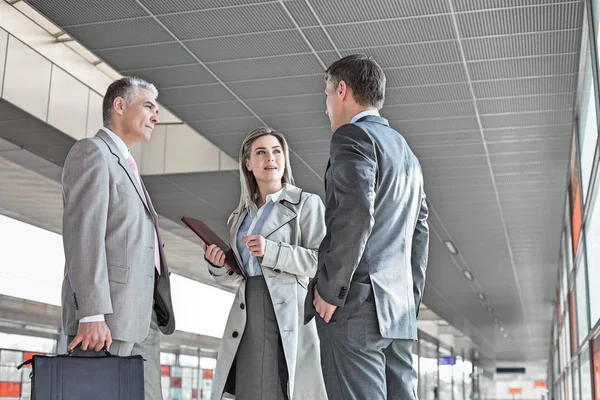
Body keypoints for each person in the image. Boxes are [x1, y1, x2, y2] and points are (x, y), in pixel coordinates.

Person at [305, 54, 430, 400]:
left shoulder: (352, 137)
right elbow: (419, 235)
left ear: (342, 90)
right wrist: (409, 300)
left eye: (327, 96)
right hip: (399, 313)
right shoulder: (407, 154)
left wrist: (331, 291)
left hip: (357, 310)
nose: (326, 108)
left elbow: (356, 213)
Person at [61, 77, 175, 400]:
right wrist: (92, 313)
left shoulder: (127, 164)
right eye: (149, 106)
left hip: (141, 317)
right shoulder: (92, 153)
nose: (155, 116)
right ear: (120, 106)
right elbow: (84, 235)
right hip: (105, 324)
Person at [204, 128, 327, 400]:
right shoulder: (240, 217)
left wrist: (271, 251)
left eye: (276, 151)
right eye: (261, 152)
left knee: (280, 388)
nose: (270, 158)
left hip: (286, 313)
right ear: (248, 163)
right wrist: (218, 265)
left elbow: (319, 262)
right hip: (247, 313)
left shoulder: (306, 204)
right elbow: (240, 275)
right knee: (248, 390)